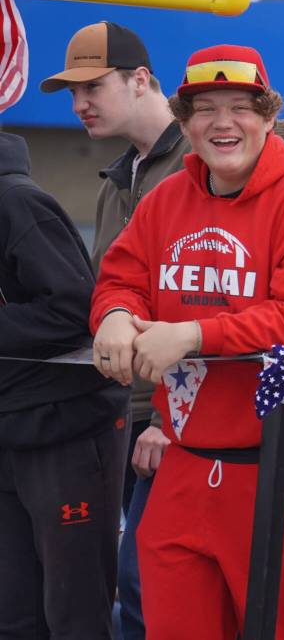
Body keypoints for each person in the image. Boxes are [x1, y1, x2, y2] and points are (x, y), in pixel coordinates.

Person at [90, 44, 284, 640]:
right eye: (205, 108)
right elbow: (121, 277)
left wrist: (192, 334)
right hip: (186, 465)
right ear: (183, 121)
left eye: (240, 106)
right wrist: (114, 313)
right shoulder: (166, 198)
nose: (222, 123)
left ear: (268, 115)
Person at [40, 19, 190, 638]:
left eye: (92, 88)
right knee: (119, 586)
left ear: (141, 80)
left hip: (183, 415)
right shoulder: (121, 177)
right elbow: (113, 290)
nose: (79, 105)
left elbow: (205, 299)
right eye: (72, 93)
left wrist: (165, 416)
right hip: (120, 410)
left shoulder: (202, 167)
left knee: (151, 585)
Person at [0, 130, 130, 637]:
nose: (81, 102)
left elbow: (75, 310)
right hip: (12, 427)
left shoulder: (18, 202)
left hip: (65, 430)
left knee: (73, 611)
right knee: (13, 613)